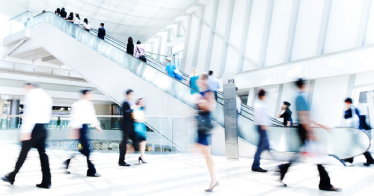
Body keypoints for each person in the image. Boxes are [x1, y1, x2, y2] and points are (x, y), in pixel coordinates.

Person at [278, 78, 340, 191]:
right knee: (317, 156)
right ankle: (324, 183)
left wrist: (321, 125)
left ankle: (283, 168)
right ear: (302, 85)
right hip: (304, 129)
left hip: (303, 128)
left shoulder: (300, 97)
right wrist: (310, 132)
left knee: (306, 154)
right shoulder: (300, 98)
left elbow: (307, 116)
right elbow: (303, 116)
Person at [2, 83, 52, 189]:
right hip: (43, 128)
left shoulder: (31, 95)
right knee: (43, 155)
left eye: (25, 87)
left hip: (33, 129)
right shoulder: (47, 96)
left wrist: (26, 131)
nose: (25, 89)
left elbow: (30, 114)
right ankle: (46, 181)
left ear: (30, 86)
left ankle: (12, 176)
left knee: (23, 153)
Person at [63, 89, 102, 177]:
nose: (91, 96)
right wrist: (74, 131)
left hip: (85, 128)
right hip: (80, 129)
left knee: (84, 150)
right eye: (90, 94)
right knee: (88, 150)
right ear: (85, 94)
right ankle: (91, 171)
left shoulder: (89, 104)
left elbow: (92, 116)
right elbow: (74, 119)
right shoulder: (78, 105)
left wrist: (97, 126)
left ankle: (67, 162)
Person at [194, 73, 218, 192]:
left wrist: (202, 103)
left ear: (204, 80)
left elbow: (211, 107)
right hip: (201, 127)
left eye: (199, 79)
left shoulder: (208, 92)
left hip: (204, 127)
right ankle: (213, 179)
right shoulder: (201, 93)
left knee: (206, 154)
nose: (198, 81)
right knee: (206, 154)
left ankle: (213, 180)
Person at [342, 98, 374, 166]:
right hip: (355, 132)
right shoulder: (352, 109)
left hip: (356, 132)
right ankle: (350, 159)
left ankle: (370, 159)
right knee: (352, 145)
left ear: (348, 103)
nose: (345, 105)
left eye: (345, 103)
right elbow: (346, 117)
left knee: (359, 146)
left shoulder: (352, 109)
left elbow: (354, 121)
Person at [251, 89, 270, 172]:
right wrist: (264, 126)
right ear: (262, 96)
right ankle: (255, 165)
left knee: (265, 146)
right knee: (263, 147)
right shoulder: (261, 105)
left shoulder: (258, 103)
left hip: (260, 126)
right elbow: (261, 117)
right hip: (262, 127)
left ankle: (255, 165)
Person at [119, 89, 138, 166]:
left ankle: (130, 150)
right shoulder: (125, 103)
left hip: (130, 127)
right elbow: (126, 112)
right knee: (124, 144)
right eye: (131, 94)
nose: (133, 96)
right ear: (128, 95)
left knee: (135, 141)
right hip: (126, 127)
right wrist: (132, 109)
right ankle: (121, 161)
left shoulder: (129, 103)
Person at [134, 98, 147, 164]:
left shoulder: (142, 109)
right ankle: (141, 157)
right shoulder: (136, 108)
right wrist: (143, 120)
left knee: (143, 142)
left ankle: (142, 157)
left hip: (141, 128)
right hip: (137, 127)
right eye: (142, 101)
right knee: (141, 142)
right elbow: (135, 119)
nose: (143, 102)